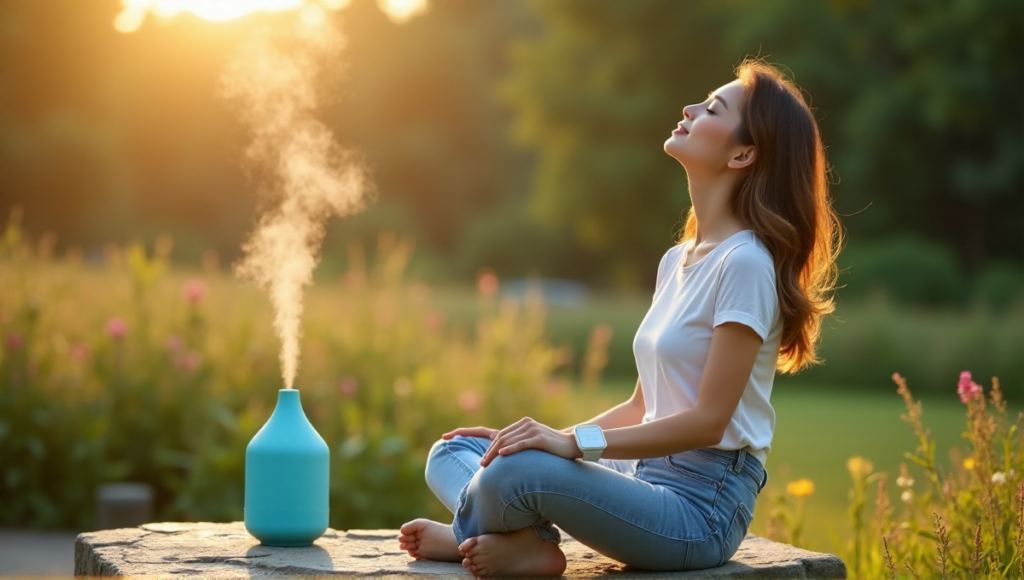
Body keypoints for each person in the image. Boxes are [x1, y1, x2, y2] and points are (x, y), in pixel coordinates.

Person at [397, 57, 843, 578]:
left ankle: (474, 536)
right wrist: (540, 438)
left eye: (712, 108)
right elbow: (641, 405)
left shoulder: (745, 262)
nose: (689, 108)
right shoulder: (678, 259)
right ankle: (518, 539)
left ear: (744, 153)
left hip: (699, 509)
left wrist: (567, 446)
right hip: (639, 475)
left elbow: (708, 421)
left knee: (507, 473)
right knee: (457, 450)